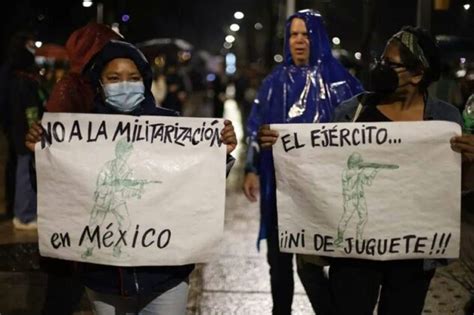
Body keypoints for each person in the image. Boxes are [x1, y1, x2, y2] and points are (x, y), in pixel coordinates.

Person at [259, 25, 474, 314]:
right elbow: (322, 168)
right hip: (355, 254)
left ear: (417, 74)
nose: (380, 68)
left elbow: (457, 186)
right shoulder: (351, 113)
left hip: (414, 253)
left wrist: (470, 160)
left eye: (390, 64)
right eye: (380, 61)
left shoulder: (444, 119)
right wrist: (283, 146)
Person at [26, 39, 237, 315]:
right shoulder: (77, 134)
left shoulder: (170, 125)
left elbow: (195, 185)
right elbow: (55, 189)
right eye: (114, 78)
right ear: (99, 83)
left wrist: (220, 154)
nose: (124, 85)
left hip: (165, 276)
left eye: (133, 78)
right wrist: (40, 155)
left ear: (145, 80)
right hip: (103, 277)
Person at [242, 9, 363, 315]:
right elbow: (256, 127)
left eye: (305, 33)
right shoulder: (273, 84)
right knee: (279, 262)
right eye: (293, 34)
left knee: (315, 263)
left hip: (325, 193)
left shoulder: (340, 84)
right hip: (278, 189)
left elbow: (364, 131)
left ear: (317, 37)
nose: (298, 40)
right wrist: (252, 166)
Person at [38, 22, 123, 315]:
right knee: (64, 290)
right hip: (75, 207)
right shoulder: (71, 87)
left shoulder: (100, 85)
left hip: (97, 203)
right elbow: (59, 152)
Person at [4, 30, 46, 230]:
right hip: (24, 134)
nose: (34, 49)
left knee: (25, 171)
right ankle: (24, 216)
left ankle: (24, 212)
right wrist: (34, 128)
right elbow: (29, 108)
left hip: (19, 132)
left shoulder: (16, 76)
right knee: (25, 173)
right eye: (30, 45)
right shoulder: (22, 79)